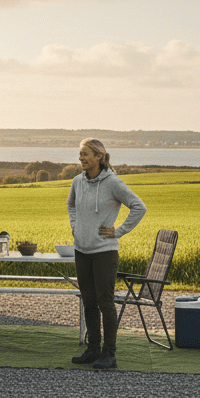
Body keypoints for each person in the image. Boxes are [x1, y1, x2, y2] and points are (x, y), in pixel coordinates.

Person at [67, 138, 146, 370]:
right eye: (80, 154)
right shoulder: (77, 181)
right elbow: (70, 204)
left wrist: (118, 231)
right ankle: (92, 350)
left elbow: (139, 206)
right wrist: (75, 225)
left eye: (85, 154)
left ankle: (109, 353)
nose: (81, 158)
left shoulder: (112, 183)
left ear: (99, 156)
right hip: (81, 250)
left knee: (105, 302)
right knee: (89, 302)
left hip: (104, 253)